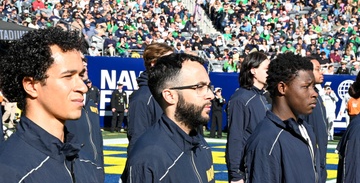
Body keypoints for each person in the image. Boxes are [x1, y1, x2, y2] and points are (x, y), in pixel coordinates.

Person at [0, 28, 102, 182]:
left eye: (80, 75)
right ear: (31, 85)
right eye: (68, 76)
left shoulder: (86, 163)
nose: (83, 87)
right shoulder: (10, 172)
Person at [121, 53, 215, 183]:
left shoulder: (200, 143)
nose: (211, 95)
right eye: (199, 87)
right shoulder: (148, 159)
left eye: (209, 86)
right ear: (170, 96)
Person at [242, 52, 320, 183]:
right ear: (282, 88)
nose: (314, 94)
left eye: (313, 87)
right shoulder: (266, 141)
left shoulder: (306, 129)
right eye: (306, 87)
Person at [225, 51, 271, 183]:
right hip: (247, 170)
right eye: (267, 69)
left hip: (262, 165)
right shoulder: (241, 99)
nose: (270, 72)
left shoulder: (263, 97)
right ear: (253, 70)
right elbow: (235, 137)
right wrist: (235, 175)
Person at [127, 43, 174, 154]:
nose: (174, 65)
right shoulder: (143, 98)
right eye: (169, 61)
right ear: (154, 63)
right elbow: (137, 142)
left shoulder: (169, 93)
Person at [65, 53, 105, 179]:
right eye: (81, 61)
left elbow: (97, 141)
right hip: (74, 171)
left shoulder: (90, 102)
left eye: (85, 61)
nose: (85, 64)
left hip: (95, 171)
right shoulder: (63, 101)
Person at [304, 56, 328, 183]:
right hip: (311, 161)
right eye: (318, 69)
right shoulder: (305, 98)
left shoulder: (318, 95)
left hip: (320, 159)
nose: (321, 72)